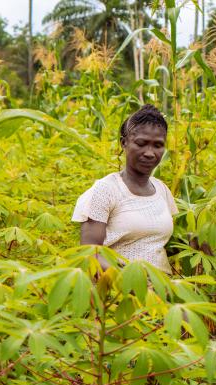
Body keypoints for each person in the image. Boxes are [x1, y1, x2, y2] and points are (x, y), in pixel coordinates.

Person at [72, 104, 178, 274]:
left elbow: (160, 241)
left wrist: (194, 242)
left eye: (158, 145)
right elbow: (90, 254)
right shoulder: (105, 190)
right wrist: (133, 280)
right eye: (141, 143)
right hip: (117, 292)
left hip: (161, 291)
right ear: (124, 142)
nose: (150, 153)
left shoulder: (162, 189)